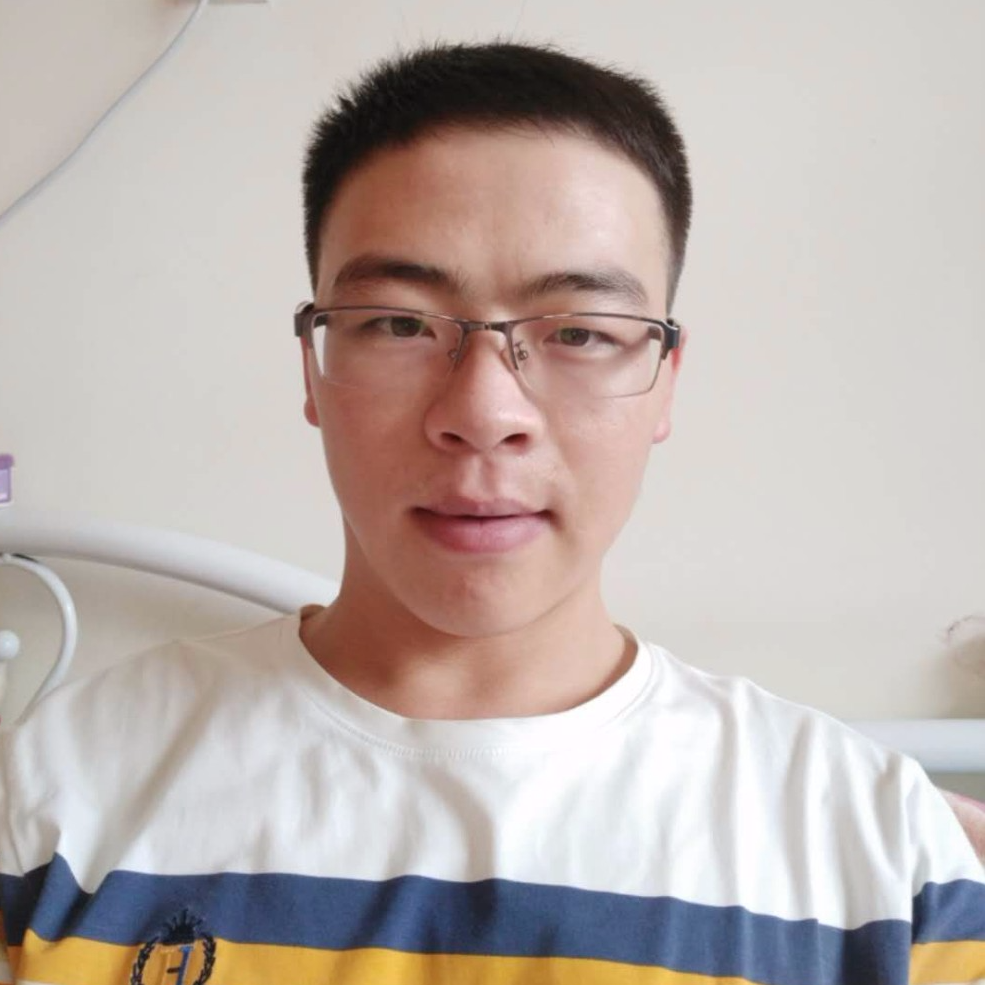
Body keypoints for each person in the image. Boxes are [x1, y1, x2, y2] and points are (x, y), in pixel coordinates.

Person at [1, 41, 983, 985]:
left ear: (664, 381)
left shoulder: (876, 853)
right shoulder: (60, 795)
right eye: (398, 322)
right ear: (313, 366)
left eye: (580, 333)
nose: (482, 412)